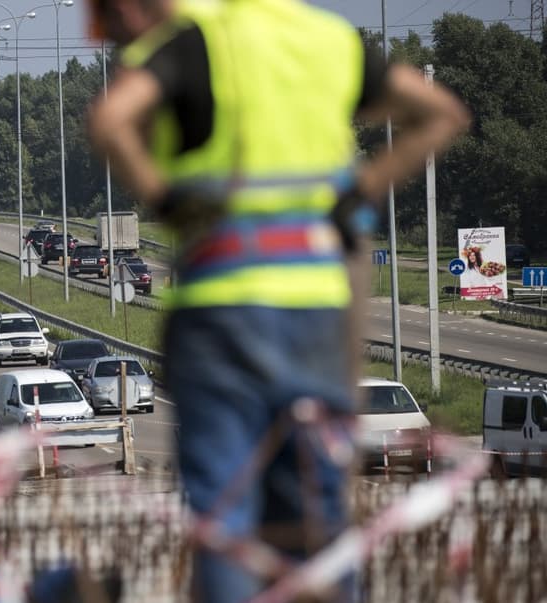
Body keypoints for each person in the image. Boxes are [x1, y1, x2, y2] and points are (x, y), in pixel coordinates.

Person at [86, 0, 469, 600]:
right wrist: (362, 189)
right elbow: (443, 113)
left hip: (223, 305)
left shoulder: (196, 41)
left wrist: (166, 199)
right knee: (317, 508)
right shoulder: (331, 39)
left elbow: (110, 120)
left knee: (224, 513)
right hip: (317, 307)